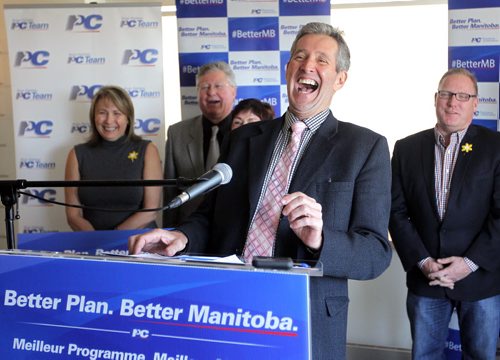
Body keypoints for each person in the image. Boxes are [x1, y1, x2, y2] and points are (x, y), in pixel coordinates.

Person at [129, 22, 392, 359]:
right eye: (299, 56)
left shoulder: (365, 147)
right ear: (288, 69)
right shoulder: (243, 139)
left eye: (321, 60)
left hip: (304, 315)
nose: (307, 65)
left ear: (340, 79)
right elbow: (211, 217)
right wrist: (182, 237)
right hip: (228, 304)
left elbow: (374, 252)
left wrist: (321, 240)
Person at [389, 68, 500, 359]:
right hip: (427, 280)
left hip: (481, 280)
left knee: (481, 355)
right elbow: (395, 212)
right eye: (447, 94)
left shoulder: (495, 148)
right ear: (435, 99)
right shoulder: (406, 149)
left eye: (463, 96)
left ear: (476, 103)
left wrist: (469, 263)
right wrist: (424, 262)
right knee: (424, 355)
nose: (453, 102)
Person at [65, 85, 163, 231]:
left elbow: (151, 211)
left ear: (128, 118)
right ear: (94, 117)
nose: (109, 120)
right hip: (91, 243)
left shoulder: (148, 150)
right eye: (102, 113)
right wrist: (96, 243)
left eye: (117, 113)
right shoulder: (77, 154)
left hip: (139, 242)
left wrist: (112, 238)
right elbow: (73, 215)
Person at [163, 61, 237, 228]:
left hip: (233, 229)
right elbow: (169, 192)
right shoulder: (177, 133)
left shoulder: (249, 131)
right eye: (204, 87)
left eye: (218, 86)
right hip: (188, 231)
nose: (211, 92)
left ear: (233, 91)